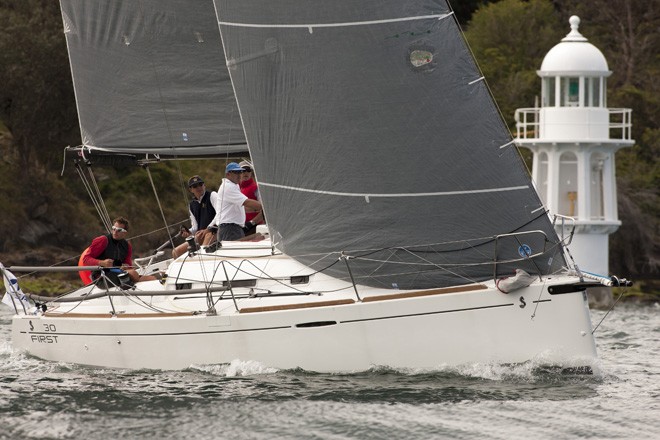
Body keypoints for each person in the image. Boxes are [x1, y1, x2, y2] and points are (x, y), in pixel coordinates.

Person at [79, 217, 158, 285]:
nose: (115, 232)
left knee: (152, 278)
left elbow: (128, 265)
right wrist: (102, 263)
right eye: (114, 228)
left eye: (119, 230)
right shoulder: (102, 240)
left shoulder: (127, 246)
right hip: (101, 276)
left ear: (125, 232)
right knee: (133, 274)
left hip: (118, 273)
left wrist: (125, 266)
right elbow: (85, 260)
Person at [210, 162, 262, 242]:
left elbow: (242, 208)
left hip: (233, 228)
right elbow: (246, 202)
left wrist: (257, 210)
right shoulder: (228, 186)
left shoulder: (234, 185)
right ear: (228, 174)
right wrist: (265, 208)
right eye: (236, 172)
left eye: (240, 172)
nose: (239, 175)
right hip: (230, 229)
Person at [172, 175, 219, 258]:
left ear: (204, 185)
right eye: (195, 186)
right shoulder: (192, 205)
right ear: (191, 189)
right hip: (201, 234)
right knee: (176, 252)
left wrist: (207, 229)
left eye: (200, 184)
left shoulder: (212, 195)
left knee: (203, 252)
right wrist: (189, 232)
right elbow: (195, 227)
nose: (198, 187)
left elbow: (220, 214)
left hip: (214, 231)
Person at [238, 160, 264, 236]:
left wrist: (251, 223)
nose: (246, 172)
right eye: (243, 170)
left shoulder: (256, 188)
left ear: (251, 172)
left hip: (254, 227)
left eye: (248, 170)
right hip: (240, 227)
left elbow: (264, 211)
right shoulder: (236, 188)